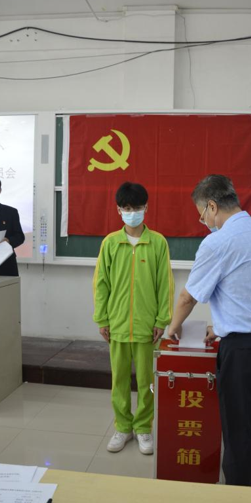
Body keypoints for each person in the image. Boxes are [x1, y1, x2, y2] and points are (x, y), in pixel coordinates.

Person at [167, 174, 251, 491]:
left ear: (212, 206)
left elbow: (187, 297)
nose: (203, 222)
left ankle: (239, 501)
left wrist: (173, 328)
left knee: (239, 430)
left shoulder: (218, 242)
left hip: (245, 352)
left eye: (202, 214)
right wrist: (221, 325)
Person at [93, 182, 174, 455]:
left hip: (147, 326)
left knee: (147, 382)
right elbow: (101, 283)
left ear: (146, 208)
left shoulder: (158, 242)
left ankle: (143, 428)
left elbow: (165, 284)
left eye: (137, 207)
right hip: (116, 324)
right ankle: (122, 427)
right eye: (127, 208)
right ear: (119, 210)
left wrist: (161, 320)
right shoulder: (110, 243)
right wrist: (102, 319)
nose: (132, 213)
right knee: (119, 380)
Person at [0, 177, 25, 277]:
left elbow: (20, 236)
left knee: (7, 287)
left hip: (5, 263)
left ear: (0, 190)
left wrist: (9, 241)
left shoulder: (11, 212)